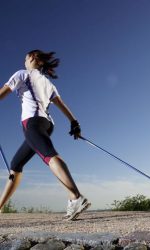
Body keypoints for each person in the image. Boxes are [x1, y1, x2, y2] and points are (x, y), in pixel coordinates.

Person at [0, 50, 90, 220]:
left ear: (33, 58)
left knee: (49, 155)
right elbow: (61, 104)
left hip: (32, 123)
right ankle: (0, 206)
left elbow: (2, 94)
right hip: (46, 124)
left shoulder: (22, 74)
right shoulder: (48, 83)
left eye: (25, 57)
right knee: (16, 164)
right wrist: (74, 123)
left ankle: (76, 197)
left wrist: (75, 123)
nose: (24, 61)